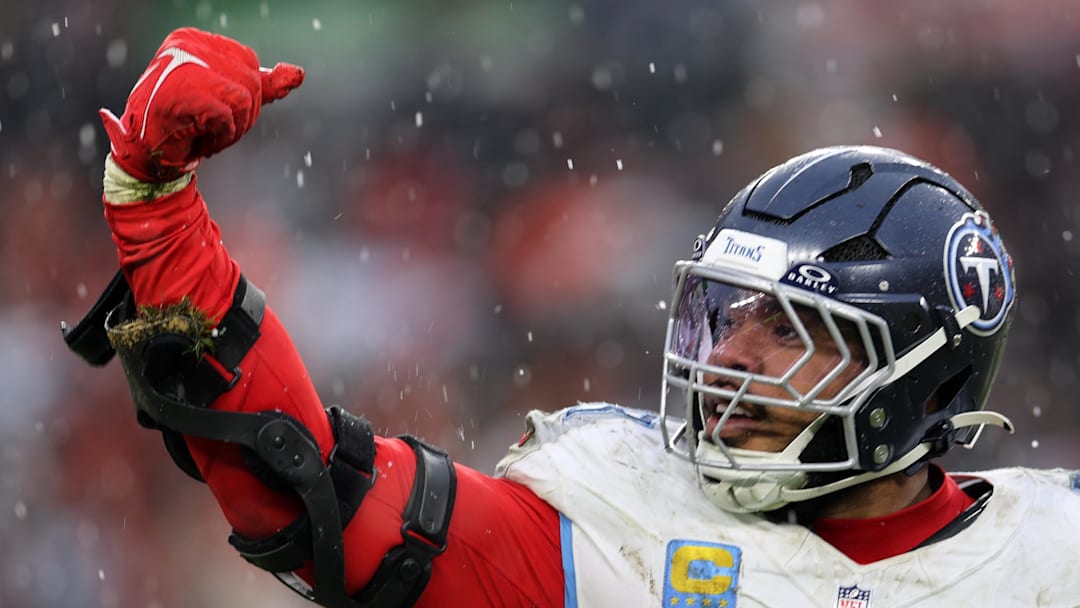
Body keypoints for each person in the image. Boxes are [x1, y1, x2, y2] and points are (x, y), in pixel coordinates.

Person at [63, 27, 1080, 608]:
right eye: (728, 314)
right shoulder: (616, 516)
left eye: (790, 328)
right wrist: (160, 215)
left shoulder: (1052, 552)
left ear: (919, 375)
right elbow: (311, 497)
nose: (729, 355)